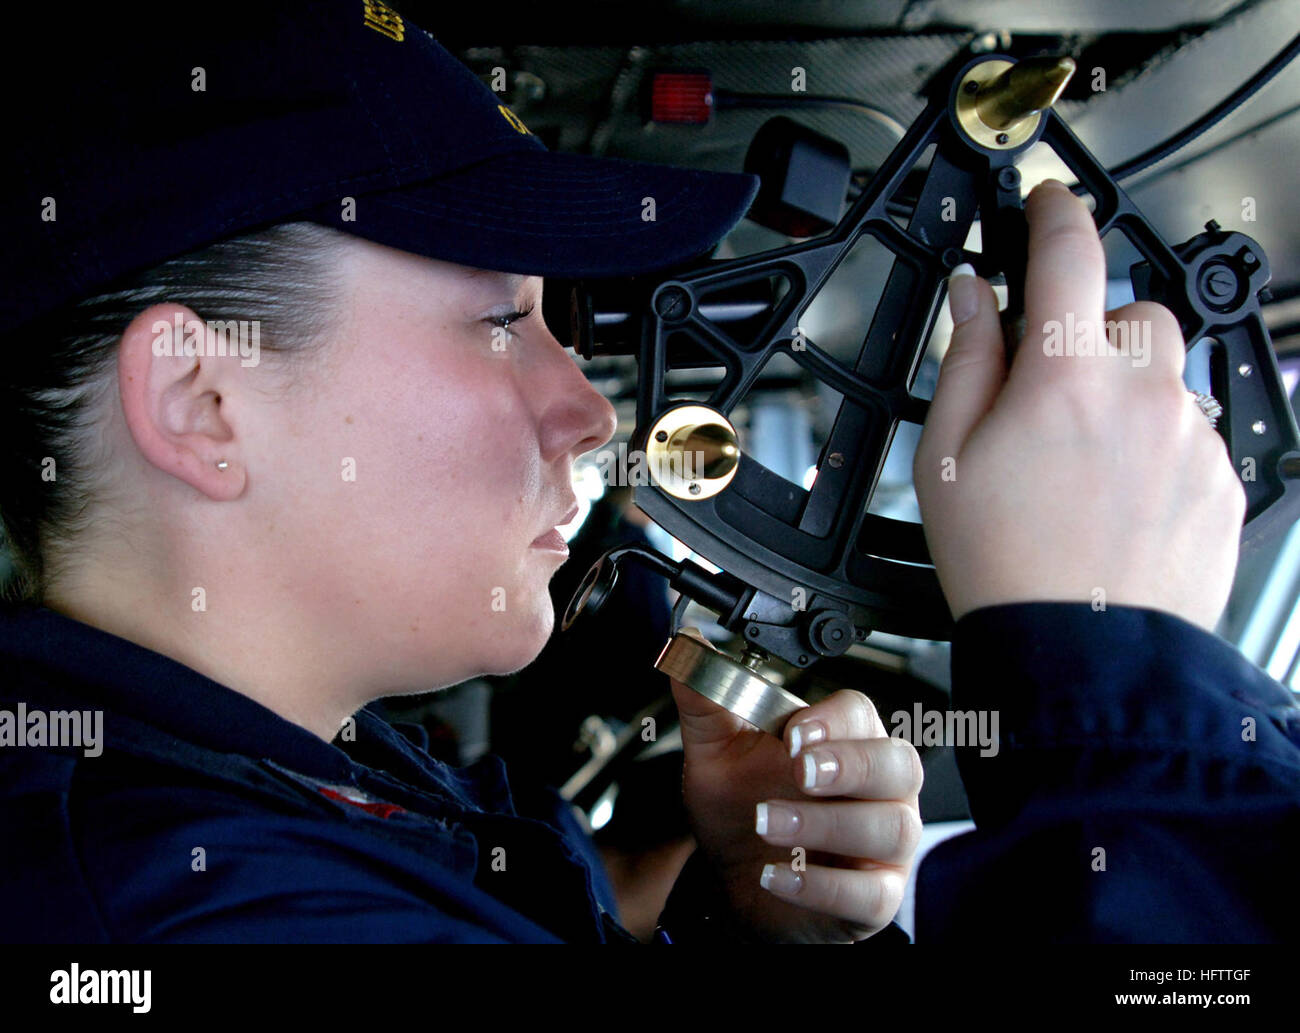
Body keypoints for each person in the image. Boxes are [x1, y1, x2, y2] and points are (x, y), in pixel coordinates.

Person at [1, 0, 1296, 944]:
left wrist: (734, 908)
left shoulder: (296, 787)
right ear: (204, 398)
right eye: (506, 321)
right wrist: (1120, 678)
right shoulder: (193, 914)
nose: (581, 411)